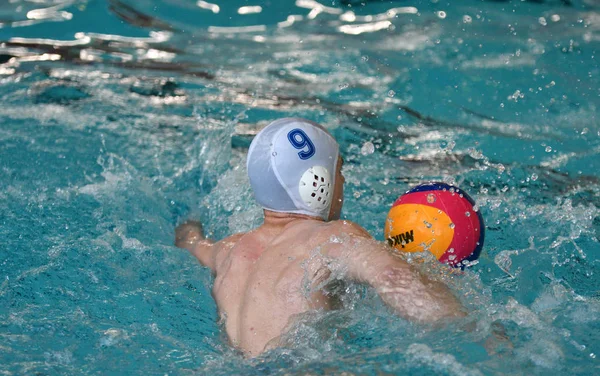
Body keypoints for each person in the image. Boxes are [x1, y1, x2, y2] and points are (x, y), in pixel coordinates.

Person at [175, 118, 465, 357]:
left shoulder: (228, 249)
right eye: (338, 169)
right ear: (316, 181)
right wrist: (469, 325)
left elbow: (188, 241)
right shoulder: (333, 238)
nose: (344, 181)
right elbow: (392, 278)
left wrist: (189, 222)